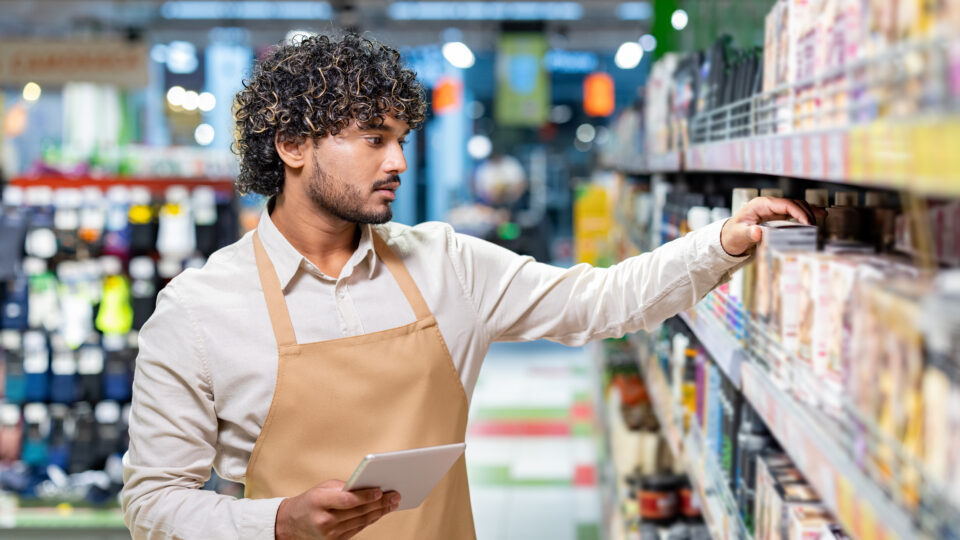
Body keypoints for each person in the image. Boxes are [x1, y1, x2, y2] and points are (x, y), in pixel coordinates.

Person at [120, 32, 818, 540]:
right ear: (293, 146)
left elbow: (599, 302)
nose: (397, 160)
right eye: (371, 138)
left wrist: (722, 242)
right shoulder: (198, 312)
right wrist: (275, 520)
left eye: (401, 138)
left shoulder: (446, 265)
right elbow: (153, 502)